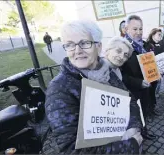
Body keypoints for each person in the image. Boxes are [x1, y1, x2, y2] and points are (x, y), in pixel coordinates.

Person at [42, 21, 143, 154]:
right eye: (70, 45)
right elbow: (71, 150)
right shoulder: (60, 88)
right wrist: (130, 146)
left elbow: (130, 101)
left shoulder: (108, 72)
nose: (77, 51)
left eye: (84, 43)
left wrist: (133, 127)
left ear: (99, 47)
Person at [120, 15, 157, 140]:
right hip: (131, 92)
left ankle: (144, 131)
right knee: (134, 117)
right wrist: (139, 82)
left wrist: (156, 71)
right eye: (135, 29)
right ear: (126, 29)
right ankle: (136, 139)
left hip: (146, 89)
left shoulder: (145, 45)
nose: (138, 32)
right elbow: (119, 75)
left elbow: (150, 63)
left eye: (140, 29)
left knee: (144, 113)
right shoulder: (121, 48)